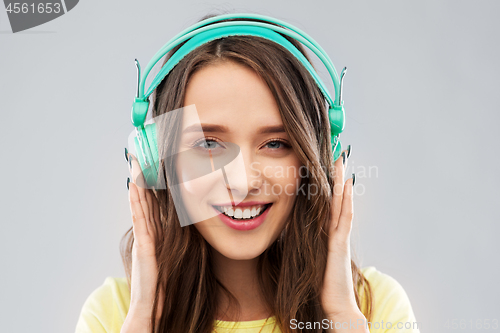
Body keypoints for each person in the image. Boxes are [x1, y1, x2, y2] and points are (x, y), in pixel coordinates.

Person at [75, 12, 420, 333]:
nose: (242, 183)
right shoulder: (114, 314)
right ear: (159, 162)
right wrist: (144, 321)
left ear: (318, 162)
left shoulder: (376, 309)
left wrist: (343, 318)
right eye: (209, 144)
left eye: (274, 143)